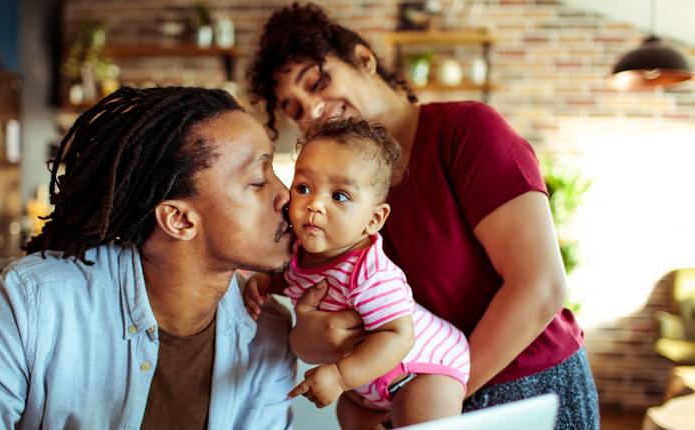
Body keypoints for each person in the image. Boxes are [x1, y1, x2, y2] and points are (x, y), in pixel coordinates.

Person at [247, 3, 599, 429]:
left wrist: (435, 399)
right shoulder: (331, 199)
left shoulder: (466, 132)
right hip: (413, 395)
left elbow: (540, 287)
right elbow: (333, 314)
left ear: (363, 58)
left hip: (524, 387)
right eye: (296, 109)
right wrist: (313, 338)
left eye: (317, 82)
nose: (314, 109)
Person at [0, 86, 296, 429]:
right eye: (259, 182)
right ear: (178, 219)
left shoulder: (269, 330)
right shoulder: (34, 304)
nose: (287, 196)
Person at [244, 118, 469, 429]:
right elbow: (295, 279)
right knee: (350, 417)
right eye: (304, 188)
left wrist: (339, 376)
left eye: (339, 196)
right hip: (365, 381)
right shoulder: (298, 251)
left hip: (422, 367)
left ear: (374, 219)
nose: (314, 205)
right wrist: (267, 282)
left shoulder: (369, 272)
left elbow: (399, 335)